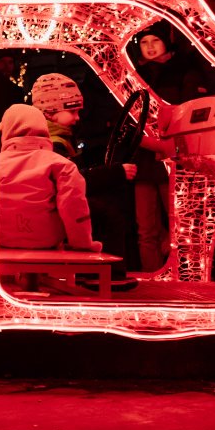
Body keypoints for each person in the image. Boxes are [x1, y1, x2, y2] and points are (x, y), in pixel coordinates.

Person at [30, 71, 139, 288]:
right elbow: (74, 181)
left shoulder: (52, 138)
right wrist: (114, 173)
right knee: (107, 214)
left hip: (50, 201)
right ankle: (105, 273)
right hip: (52, 204)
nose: (77, 117)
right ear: (50, 113)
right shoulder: (54, 143)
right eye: (72, 111)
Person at [131, 24, 211, 269]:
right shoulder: (134, 74)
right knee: (145, 226)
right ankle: (151, 271)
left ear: (167, 42)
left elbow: (186, 109)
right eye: (144, 42)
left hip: (173, 155)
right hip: (143, 156)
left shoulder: (183, 70)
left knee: (178, 222)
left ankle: (181, 271)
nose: (150, 47)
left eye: (155, 40)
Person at [0, 104, 103, 252]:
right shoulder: (61, 164)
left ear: (7, 131)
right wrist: (82, 243)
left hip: (1, 242)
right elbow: (73, 206)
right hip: (46, 243)